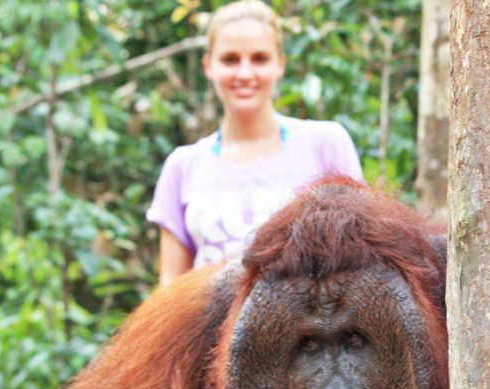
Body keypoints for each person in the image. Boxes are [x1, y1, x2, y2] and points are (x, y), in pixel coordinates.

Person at [148, 0, 364, 287]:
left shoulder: (325, 143)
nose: (245, 74)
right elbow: (170, 289)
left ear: (280, 64)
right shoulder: (183, 165)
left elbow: (358, 264)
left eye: (259, 59)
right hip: (209, 315)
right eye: (230, 60)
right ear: (208, 66)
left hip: (307, 313)